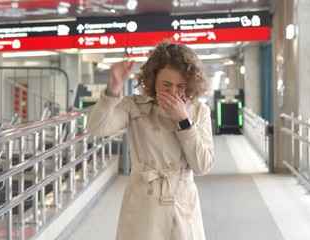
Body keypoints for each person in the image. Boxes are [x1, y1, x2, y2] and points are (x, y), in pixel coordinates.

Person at [86, 39, 215, 240]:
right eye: (166, 84)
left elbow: (203, 165)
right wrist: (114, 89)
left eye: (180, 86)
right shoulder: (133, 105)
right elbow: (96, 128)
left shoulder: (199, 111)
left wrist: (183, 121)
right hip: (144, 202)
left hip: (181, 202)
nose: (173, 92)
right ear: (153, 80)